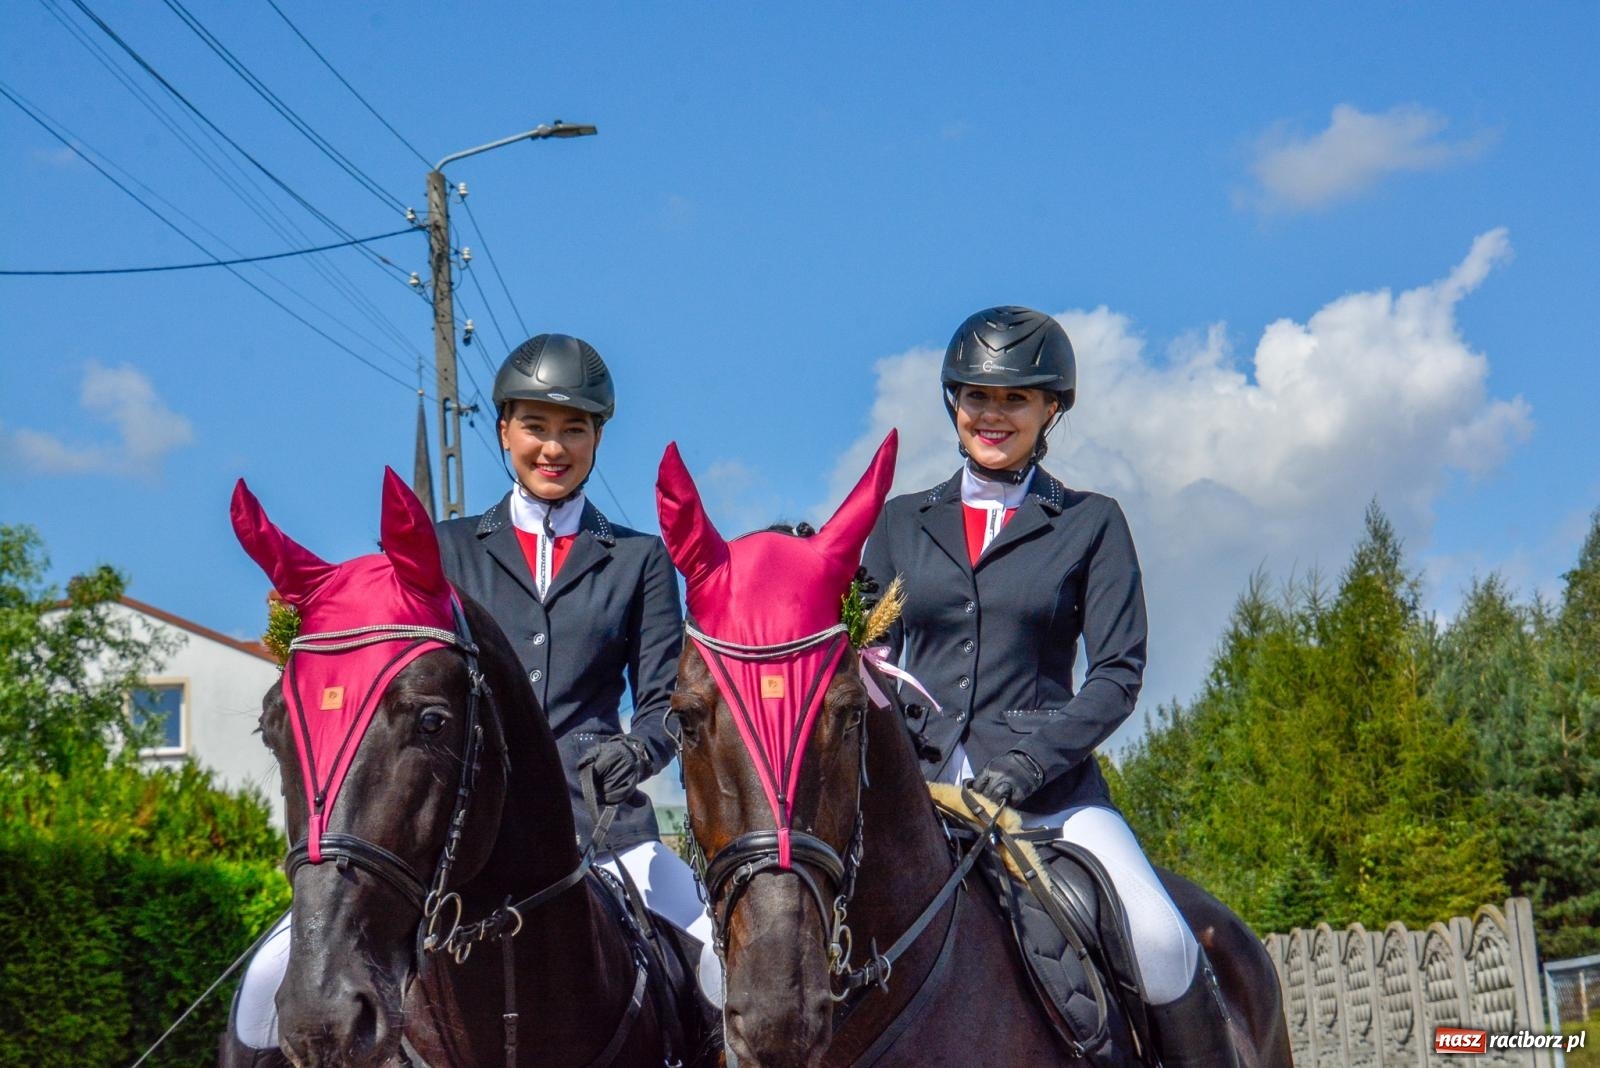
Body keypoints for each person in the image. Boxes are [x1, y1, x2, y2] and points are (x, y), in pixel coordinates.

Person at [224, 333, 720, 1062]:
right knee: (267, 982)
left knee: (715, 960)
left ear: (597, 438)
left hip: (603, 827)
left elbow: (661, 704)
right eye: (536, 428)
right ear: (503, 432)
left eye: (573, 430)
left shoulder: (640, 559)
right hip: (456, 834)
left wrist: (635, 750)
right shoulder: (443, 550)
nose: (554, 447)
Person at [860, 306, 1236, 1067]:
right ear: (953, 403)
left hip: (1049, 800)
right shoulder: (899, 522)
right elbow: (867, 660)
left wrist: (1029, 762)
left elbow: (1118, 674)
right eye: (977, 397)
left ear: (1051, 408)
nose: (992, 415)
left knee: (1162, 941)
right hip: (915, 794)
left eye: (1015, 399)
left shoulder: (1091, 523)